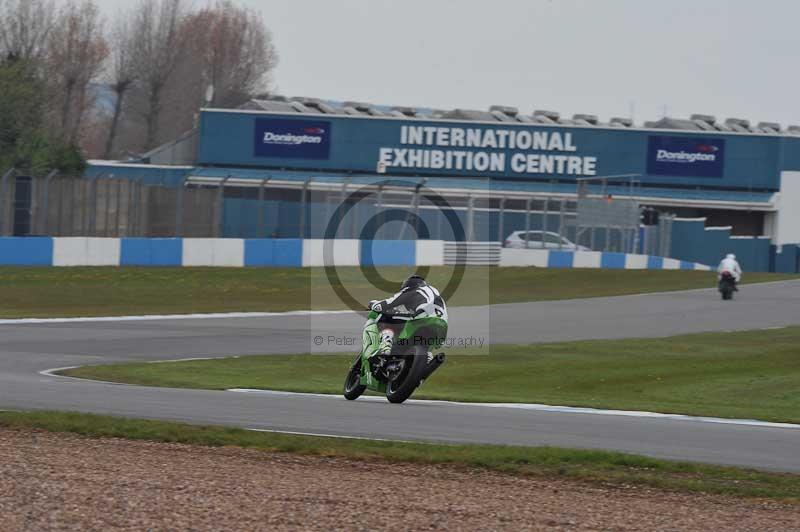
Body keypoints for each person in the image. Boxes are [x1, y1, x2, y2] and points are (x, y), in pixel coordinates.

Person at [367, 275, 448, 358]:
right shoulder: (434, 292)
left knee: (384, 317)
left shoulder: (412, 290)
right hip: (442, 326)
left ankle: (386, 343)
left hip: (423, 317)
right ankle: (427, 355)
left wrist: (373, 304)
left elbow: (388, 304)